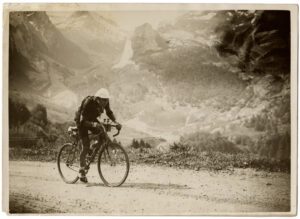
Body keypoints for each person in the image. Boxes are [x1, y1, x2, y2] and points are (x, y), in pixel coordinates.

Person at [74, 88, 122, 183]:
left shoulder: (105, 101)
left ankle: (92, 149)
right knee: (86, 146)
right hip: (82, 121)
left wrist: (116, 123)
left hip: (92, 119)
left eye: (106, 100)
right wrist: (94, 124)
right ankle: (81, 170)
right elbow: (83, 121)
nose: (105, 102)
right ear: (97, 99)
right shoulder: (88, 102)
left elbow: (109, 112)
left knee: (102, 135)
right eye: (103, 100)